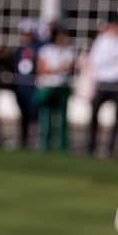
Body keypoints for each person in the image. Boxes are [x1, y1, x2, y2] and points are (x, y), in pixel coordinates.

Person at [86, 13, 118, 157]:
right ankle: (91, 144)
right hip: (104, 79)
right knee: (94, 110)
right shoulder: (102, 40)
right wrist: (111, 59)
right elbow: (96, 59)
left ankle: (111, 147)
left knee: (117, 113)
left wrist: (113, 62)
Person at [35, 24, 75, 152]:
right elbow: (42, 69)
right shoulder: (46, 50)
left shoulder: (69, 51)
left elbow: (70, 68)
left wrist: (60, 68)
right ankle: (45, 144)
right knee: (46, 116)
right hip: (48, 87)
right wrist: (57, 68)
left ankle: (62, 146)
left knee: (62, 118)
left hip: (62, 87)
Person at [12, 19, 40, 149]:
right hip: (21, 85)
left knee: (35, 113)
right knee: (23, 114)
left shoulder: (38, 47)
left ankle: (37, 140)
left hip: (33, 86)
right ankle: (24, 139)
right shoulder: (19, 49)